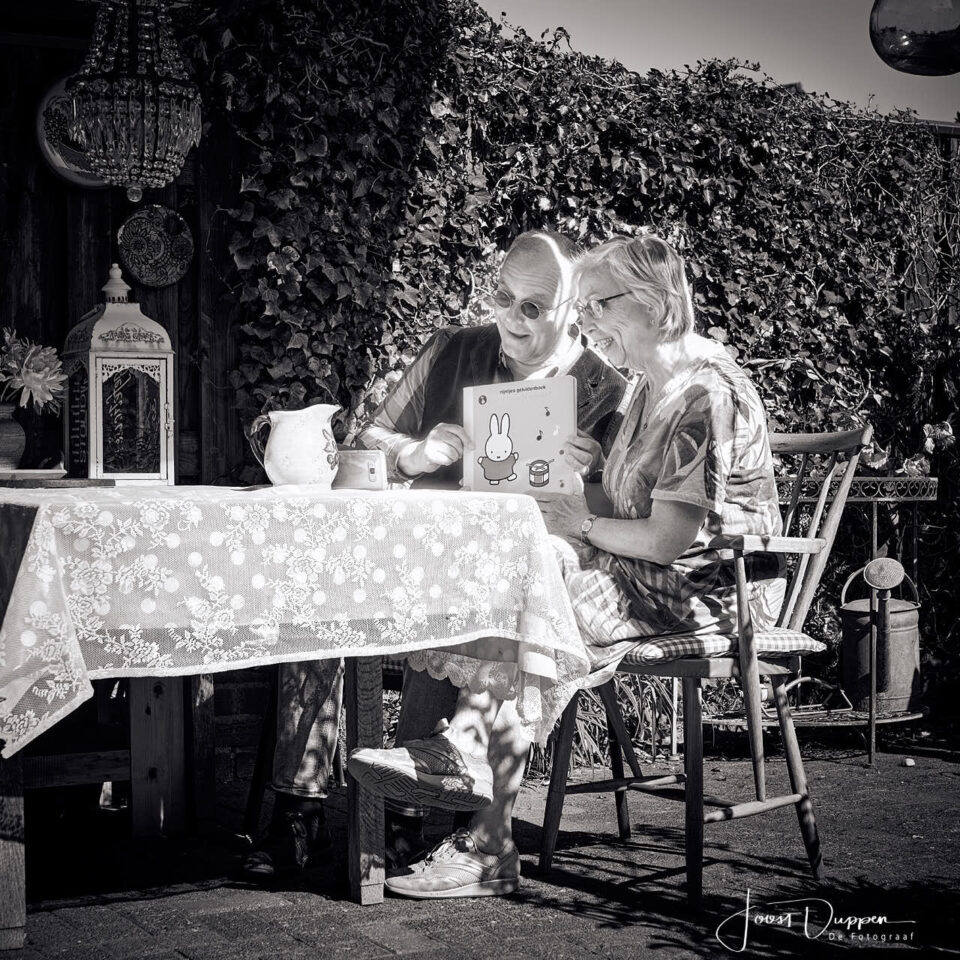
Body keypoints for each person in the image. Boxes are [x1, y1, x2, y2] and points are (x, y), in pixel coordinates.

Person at [347, 233, 787, 899]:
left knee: (543, 574)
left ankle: (473, 787)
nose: (588, 323)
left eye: (598, 305)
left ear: (651, 303)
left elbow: (667, 539)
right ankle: (474, 803)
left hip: (716, 588)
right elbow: (622, 505)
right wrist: (585, 477)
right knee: (525, 565)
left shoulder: (706, 393)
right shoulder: (647, 389)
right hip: (645, 579)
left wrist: (578, 523)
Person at [241, 230, 627, 879]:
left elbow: (619, 514)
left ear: (572, 310)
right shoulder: (454, 348)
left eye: (533, 306)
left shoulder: (603, 389)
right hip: (411, 554)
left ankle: (405, 820)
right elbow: (367, 436)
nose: (511, 317)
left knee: (466, 601)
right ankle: (298, 810)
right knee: (316, 585)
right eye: (502, 296)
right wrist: (413, 454)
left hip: (503, 580)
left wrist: (594, 477)